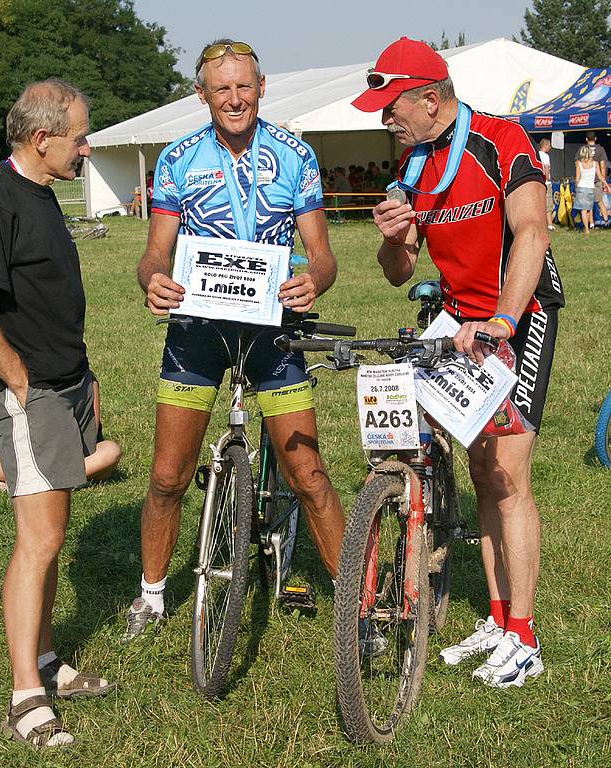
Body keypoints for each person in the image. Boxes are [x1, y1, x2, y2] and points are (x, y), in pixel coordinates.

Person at [353, 37, 565, 688]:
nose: (384, 118)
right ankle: (499, 619)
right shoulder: (411, 167)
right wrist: (393, 241)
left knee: (506, 473)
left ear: (428, 96)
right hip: (456, 321)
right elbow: (398, 273)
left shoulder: (499, 139)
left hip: (518, 313)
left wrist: (501, 320)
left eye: (391, 106)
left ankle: (524, 639)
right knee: (478, 469)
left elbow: (531, 231)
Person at [129, 39, 345, 642]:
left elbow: (324, 256)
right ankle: (150, 596)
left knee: (308, 475)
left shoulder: (296, 156)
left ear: (262, 87)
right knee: (169, 475)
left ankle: (355, 599)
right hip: (197, 330)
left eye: (243, 86)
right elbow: (153, 253)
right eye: (220, 88)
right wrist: (153, 283)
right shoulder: (176, 159)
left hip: (273, 330)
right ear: (201, 95)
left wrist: (312, 282)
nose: (233, 98)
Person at [0, 78, 114, 749]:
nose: (86, 146)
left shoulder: (41, 194)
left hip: (65, 384)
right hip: (30, 391)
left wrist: (84, 376)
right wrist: (18, 381)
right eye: (79, 135)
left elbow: (49, 300)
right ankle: (25, 697)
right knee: (38, 539)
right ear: (42, 138)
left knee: (52, 531)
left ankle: (46, 658)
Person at [574, 131, 609, 225]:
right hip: (597, 179)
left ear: (586, 139)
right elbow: (603, 166)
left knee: (587, 205)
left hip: (584, 181)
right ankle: (606, 221)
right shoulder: (600, 149)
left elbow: (577, 163)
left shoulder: (582, 149)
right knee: (600, 202)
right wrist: (603, 180)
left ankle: (591, 224)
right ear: (596, 138)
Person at [537, 138, 555, 231]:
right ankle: (549, 225)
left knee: (539, 204)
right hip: (546, 183)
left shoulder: (536, 154)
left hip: (538, 182)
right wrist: (547, 178)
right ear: (546, 145)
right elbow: (546, 167)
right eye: (549, 145)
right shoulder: (545, 156)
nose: (550, 147)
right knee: (548, 205)